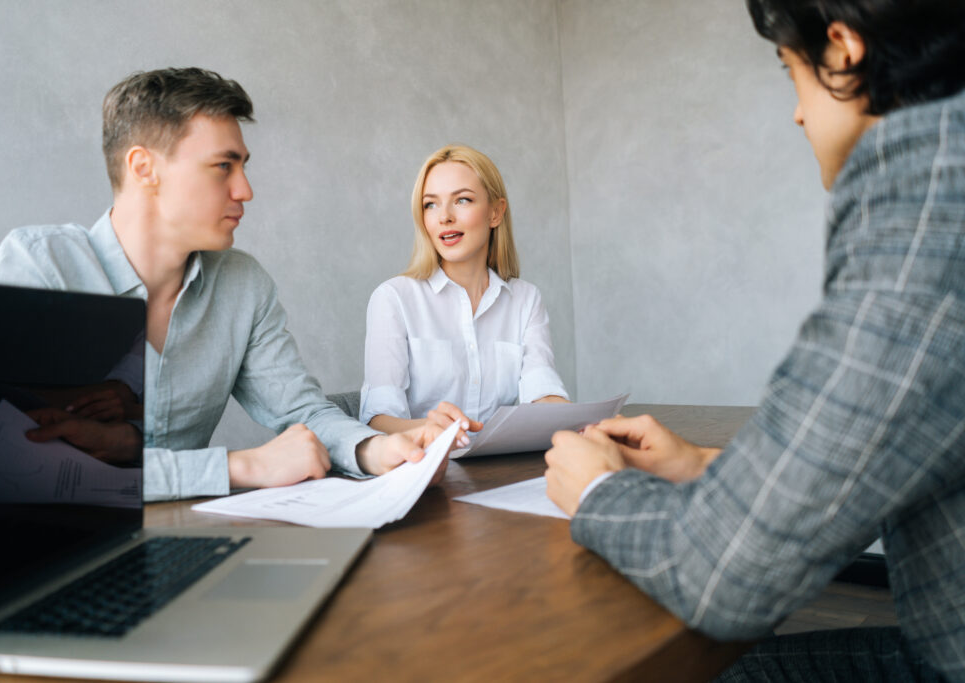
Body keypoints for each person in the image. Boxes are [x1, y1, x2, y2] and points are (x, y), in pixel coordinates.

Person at [544, 1, 965, 680]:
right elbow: (873, 453)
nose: (798, 113)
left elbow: (725, 575)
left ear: (842, 49)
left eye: (789, 71)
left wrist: (597, 492)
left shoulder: (931, 181)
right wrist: (704, 467)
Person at [0, 67, 433, 501]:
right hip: (55, 550)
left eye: (242, 166)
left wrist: (374, 449)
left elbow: (301, 411)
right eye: (223, 166)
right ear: (144, 168)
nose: (245, 190)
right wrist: (238, 466)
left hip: (187, 539)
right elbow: (18, 464)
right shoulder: (42, 265)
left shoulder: (242, 283)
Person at [359, 144, 569, 449]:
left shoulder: (526, 299)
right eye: (431, 204)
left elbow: (543, 392)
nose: (444, 217)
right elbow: (378, 419)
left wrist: (586, 424)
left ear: (495, 212)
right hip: (428, 472)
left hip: (504, 472)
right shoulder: (393, 298)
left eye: (462, 200)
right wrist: (430, 429)